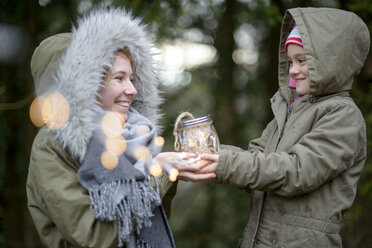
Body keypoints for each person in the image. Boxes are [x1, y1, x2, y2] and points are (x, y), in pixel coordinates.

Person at [177, 7, 370, 247]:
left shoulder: (342, 115)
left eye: (302, 61)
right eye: (290, 62)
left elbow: (296, 171)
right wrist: (210, 156)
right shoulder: (290, 108)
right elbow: (257, 159)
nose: (293, 70)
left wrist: (223, 162)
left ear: (331, 62)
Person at [26, 7, 184, 248]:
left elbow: (149, 226)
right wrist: (158, 176)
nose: (132, 90)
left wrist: (169, 173)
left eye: (132, 78)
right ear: (83, 84)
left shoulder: (130, 137)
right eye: (119, 78)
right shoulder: (53, 146)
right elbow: (96, 236)